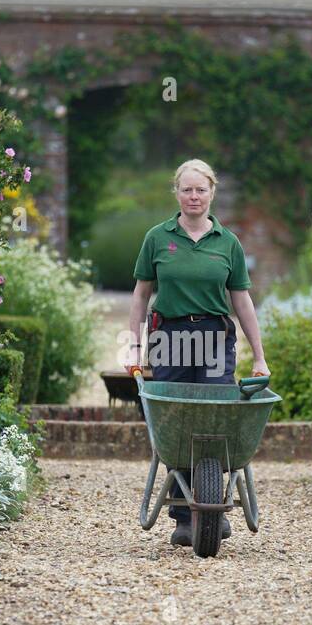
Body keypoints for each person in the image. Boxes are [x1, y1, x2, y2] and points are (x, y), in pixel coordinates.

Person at [125, 158, 270, 547]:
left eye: (200, 189)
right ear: (177, 192)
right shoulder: (158, 237)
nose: (194, 196)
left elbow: (242, 301)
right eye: (187, 189)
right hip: (168, 337)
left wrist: (259, 355)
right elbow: (140, 296)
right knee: (176, 423)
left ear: (211, 193)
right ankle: (183, 516)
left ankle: (212, 506)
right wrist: (134, 346)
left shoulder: (228, 243)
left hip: (213, 337)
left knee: (212, 422)